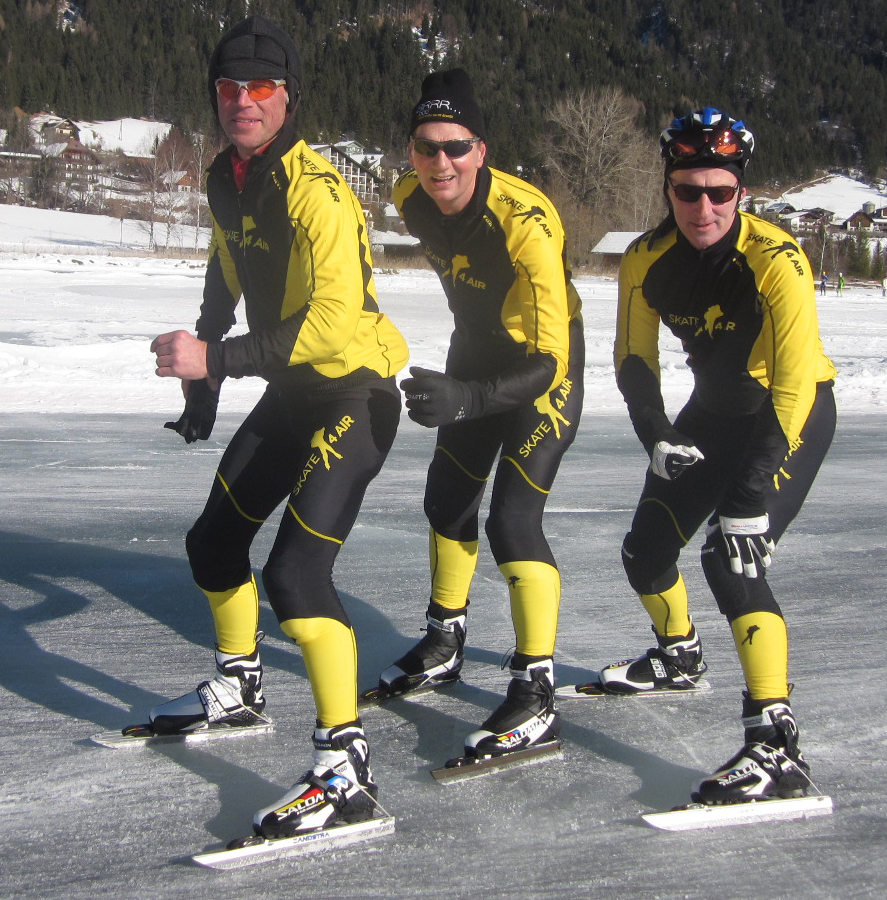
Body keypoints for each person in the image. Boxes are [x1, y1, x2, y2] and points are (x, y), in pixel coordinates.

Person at [145, 15, 408, 838]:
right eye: (229, 86)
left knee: (296, 576)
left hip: (354, 392)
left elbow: (332, 322)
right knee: (213, 544)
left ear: (288, 97)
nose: (243, 101)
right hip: (291, 391)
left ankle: (345, 769)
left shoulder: (317, 189)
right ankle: (239, 688)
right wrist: (205, 384)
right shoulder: (227, 178)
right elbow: (225, 269)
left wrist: (217, 359)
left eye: (261, 86)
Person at [590, 107, 837, 803]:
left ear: (741, 193)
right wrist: (656, 434)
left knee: (730, 555)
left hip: (787, 415)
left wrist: (750, 493)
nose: (704, 208)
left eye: (720, 192)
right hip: (713, 413)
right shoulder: (645, 258)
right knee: (645, 551)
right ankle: (679, 655)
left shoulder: (776, 259)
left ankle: (775, 746)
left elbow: (794, 382)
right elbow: (633, 358)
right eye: (688, 191)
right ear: (667, 189)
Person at [368, 68, 584, 762]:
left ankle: (536, 692)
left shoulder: (527, 221)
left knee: (512, 522)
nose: (441, 163)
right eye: (426, 147)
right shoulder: (409, 196)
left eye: (456, 147)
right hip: (474, 347)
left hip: (539, 364)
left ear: (480, 150)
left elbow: (551, 358)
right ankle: (444, 641)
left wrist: (468, 398)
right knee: (446, 501)